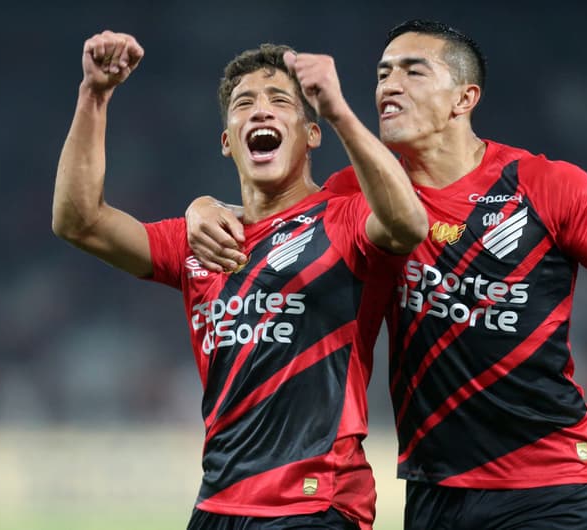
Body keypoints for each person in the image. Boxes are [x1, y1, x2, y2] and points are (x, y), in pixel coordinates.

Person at [186, 19, 587, 530]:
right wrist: (204, 206)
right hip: (432, 484)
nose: (389, 85)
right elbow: (277, 217)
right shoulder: (361, 192)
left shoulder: (549, 186)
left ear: (464, 98)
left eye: (413, 71)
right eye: (383, 73)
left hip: (546, 477)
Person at [51, 30, 427, 529]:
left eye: (280, 100)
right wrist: (94, 95)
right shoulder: (202, 240)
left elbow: (407, 224)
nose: (261, 111)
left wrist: (336, 111)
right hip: (217, 505)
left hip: (314, 505)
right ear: (228, 141)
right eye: (245, 102)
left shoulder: (345, 221)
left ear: (311, 134)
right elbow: (78, 221)